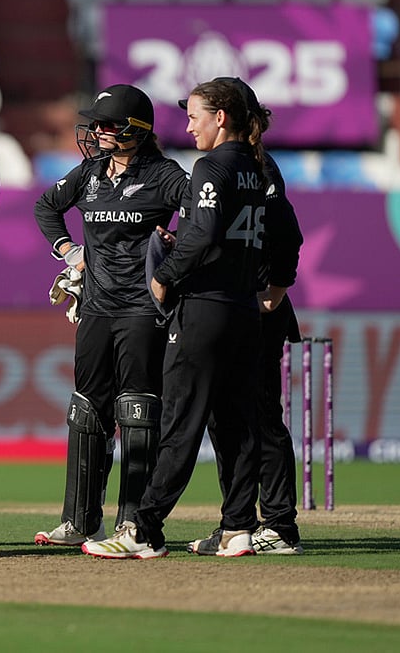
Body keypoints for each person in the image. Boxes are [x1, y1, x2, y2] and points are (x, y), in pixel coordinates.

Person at [83, 78, 269, 559]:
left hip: (204, 307)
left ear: (220, 117)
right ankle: (238, 527)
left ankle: (143, 530)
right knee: (236, 421)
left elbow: (202, 231)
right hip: (245, 307)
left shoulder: (211, 166)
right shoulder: (258, 166)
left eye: (194, 116)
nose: (187, 126)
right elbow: (282, 230)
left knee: (179, 423)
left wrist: (165, 274)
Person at [32, 85, 187, 547]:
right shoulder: (90, 172)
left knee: (137, 411)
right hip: (96, 307)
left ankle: (133, 524)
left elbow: (202, 216)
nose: (97, 132)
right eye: (95, 124)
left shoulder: (165, 175)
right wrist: (69, 251)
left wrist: (176, 254)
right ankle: (81, 521)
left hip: (143, 308)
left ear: (136, 131)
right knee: (86, 409)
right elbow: (46, 206)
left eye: (107, 125)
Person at [211, 78, 305, 555]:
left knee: (261, 414)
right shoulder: (238, 164)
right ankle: (238, 521)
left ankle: (280, 525)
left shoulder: (256, 167)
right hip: (233, 305)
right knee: (227, 417)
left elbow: (287, 230)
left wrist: (276, 287)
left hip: (257, 307)